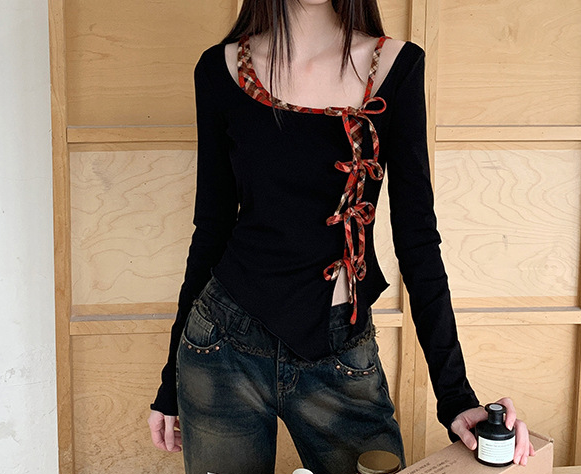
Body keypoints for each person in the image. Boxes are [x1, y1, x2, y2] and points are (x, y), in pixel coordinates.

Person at [148, 1, 535, 473]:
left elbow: (417, 240)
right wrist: (170, 383)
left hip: (341, 349)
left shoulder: (396, 66)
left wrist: (456, 396)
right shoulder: (220, 68)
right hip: (222, 342)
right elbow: (210, 227)